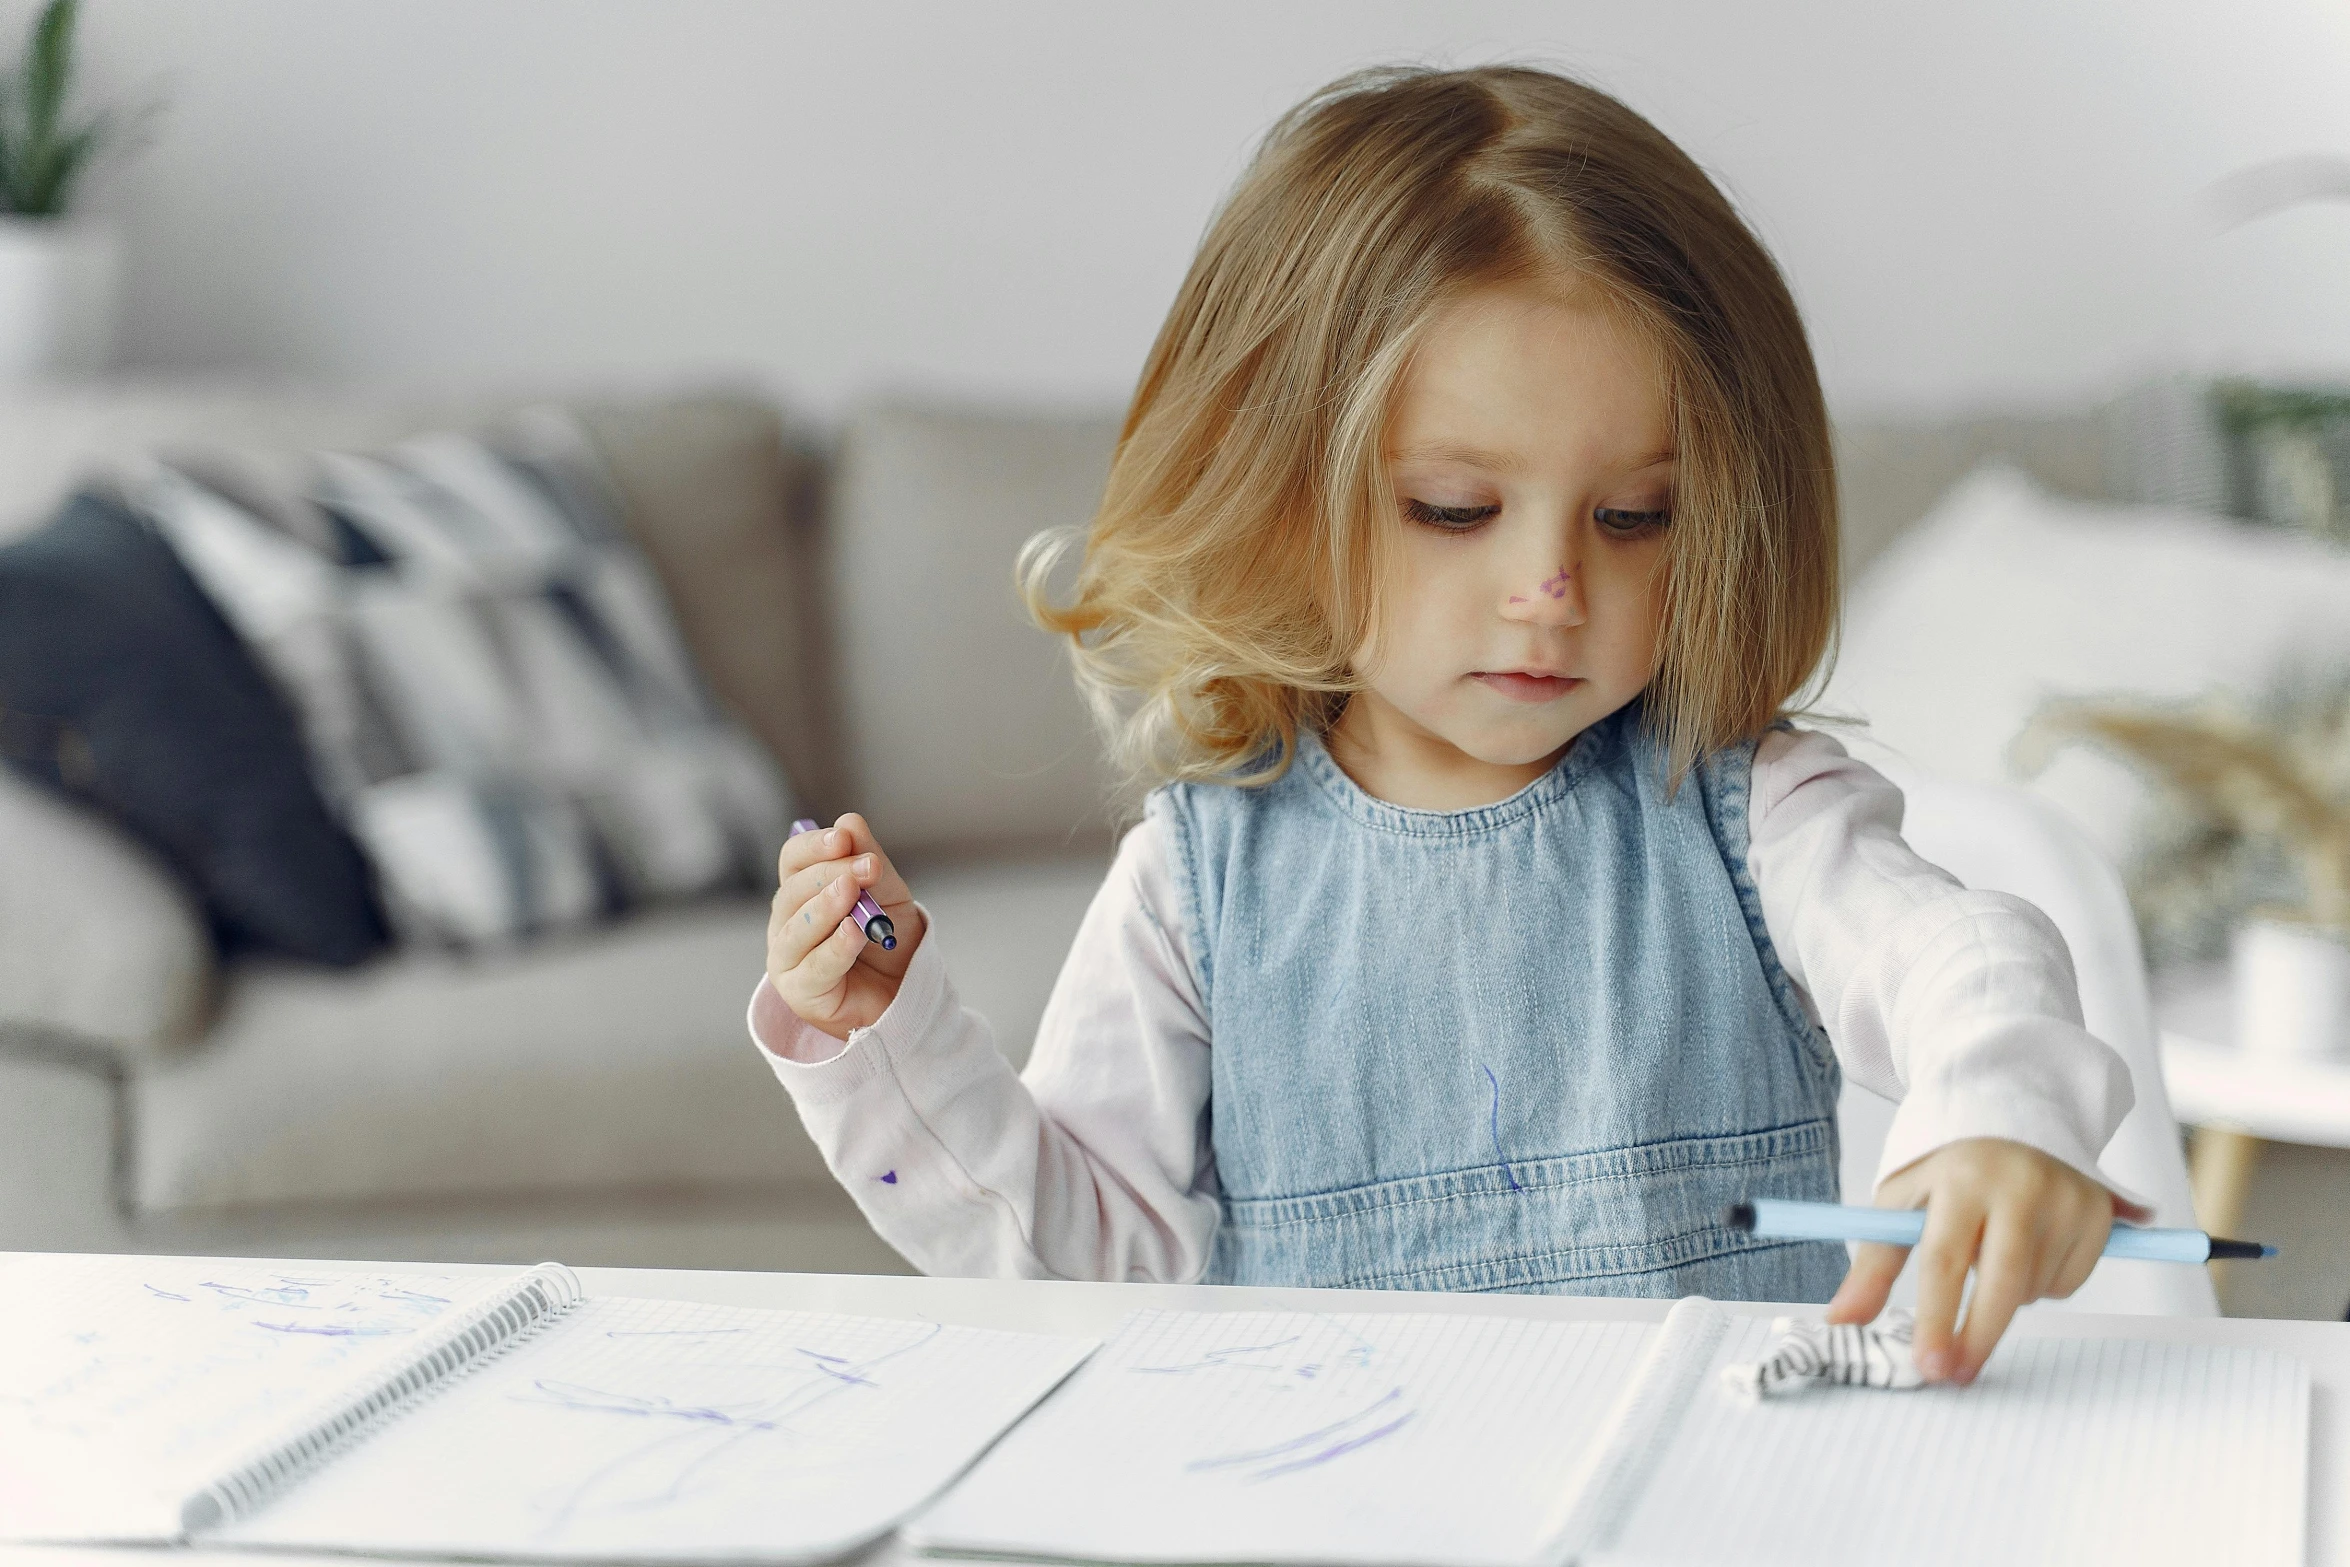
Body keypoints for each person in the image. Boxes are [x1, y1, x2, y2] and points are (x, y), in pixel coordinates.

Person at [750, 64, 2142, 1386]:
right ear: (1279, 492)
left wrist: (1996, 1112)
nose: (1548, 592)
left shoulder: (1754, 815)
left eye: (1632, 516)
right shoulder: (1197, 884)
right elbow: (1065, 1262)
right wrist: (891, 1037)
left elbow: (1967, 957)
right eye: (1454, 508)